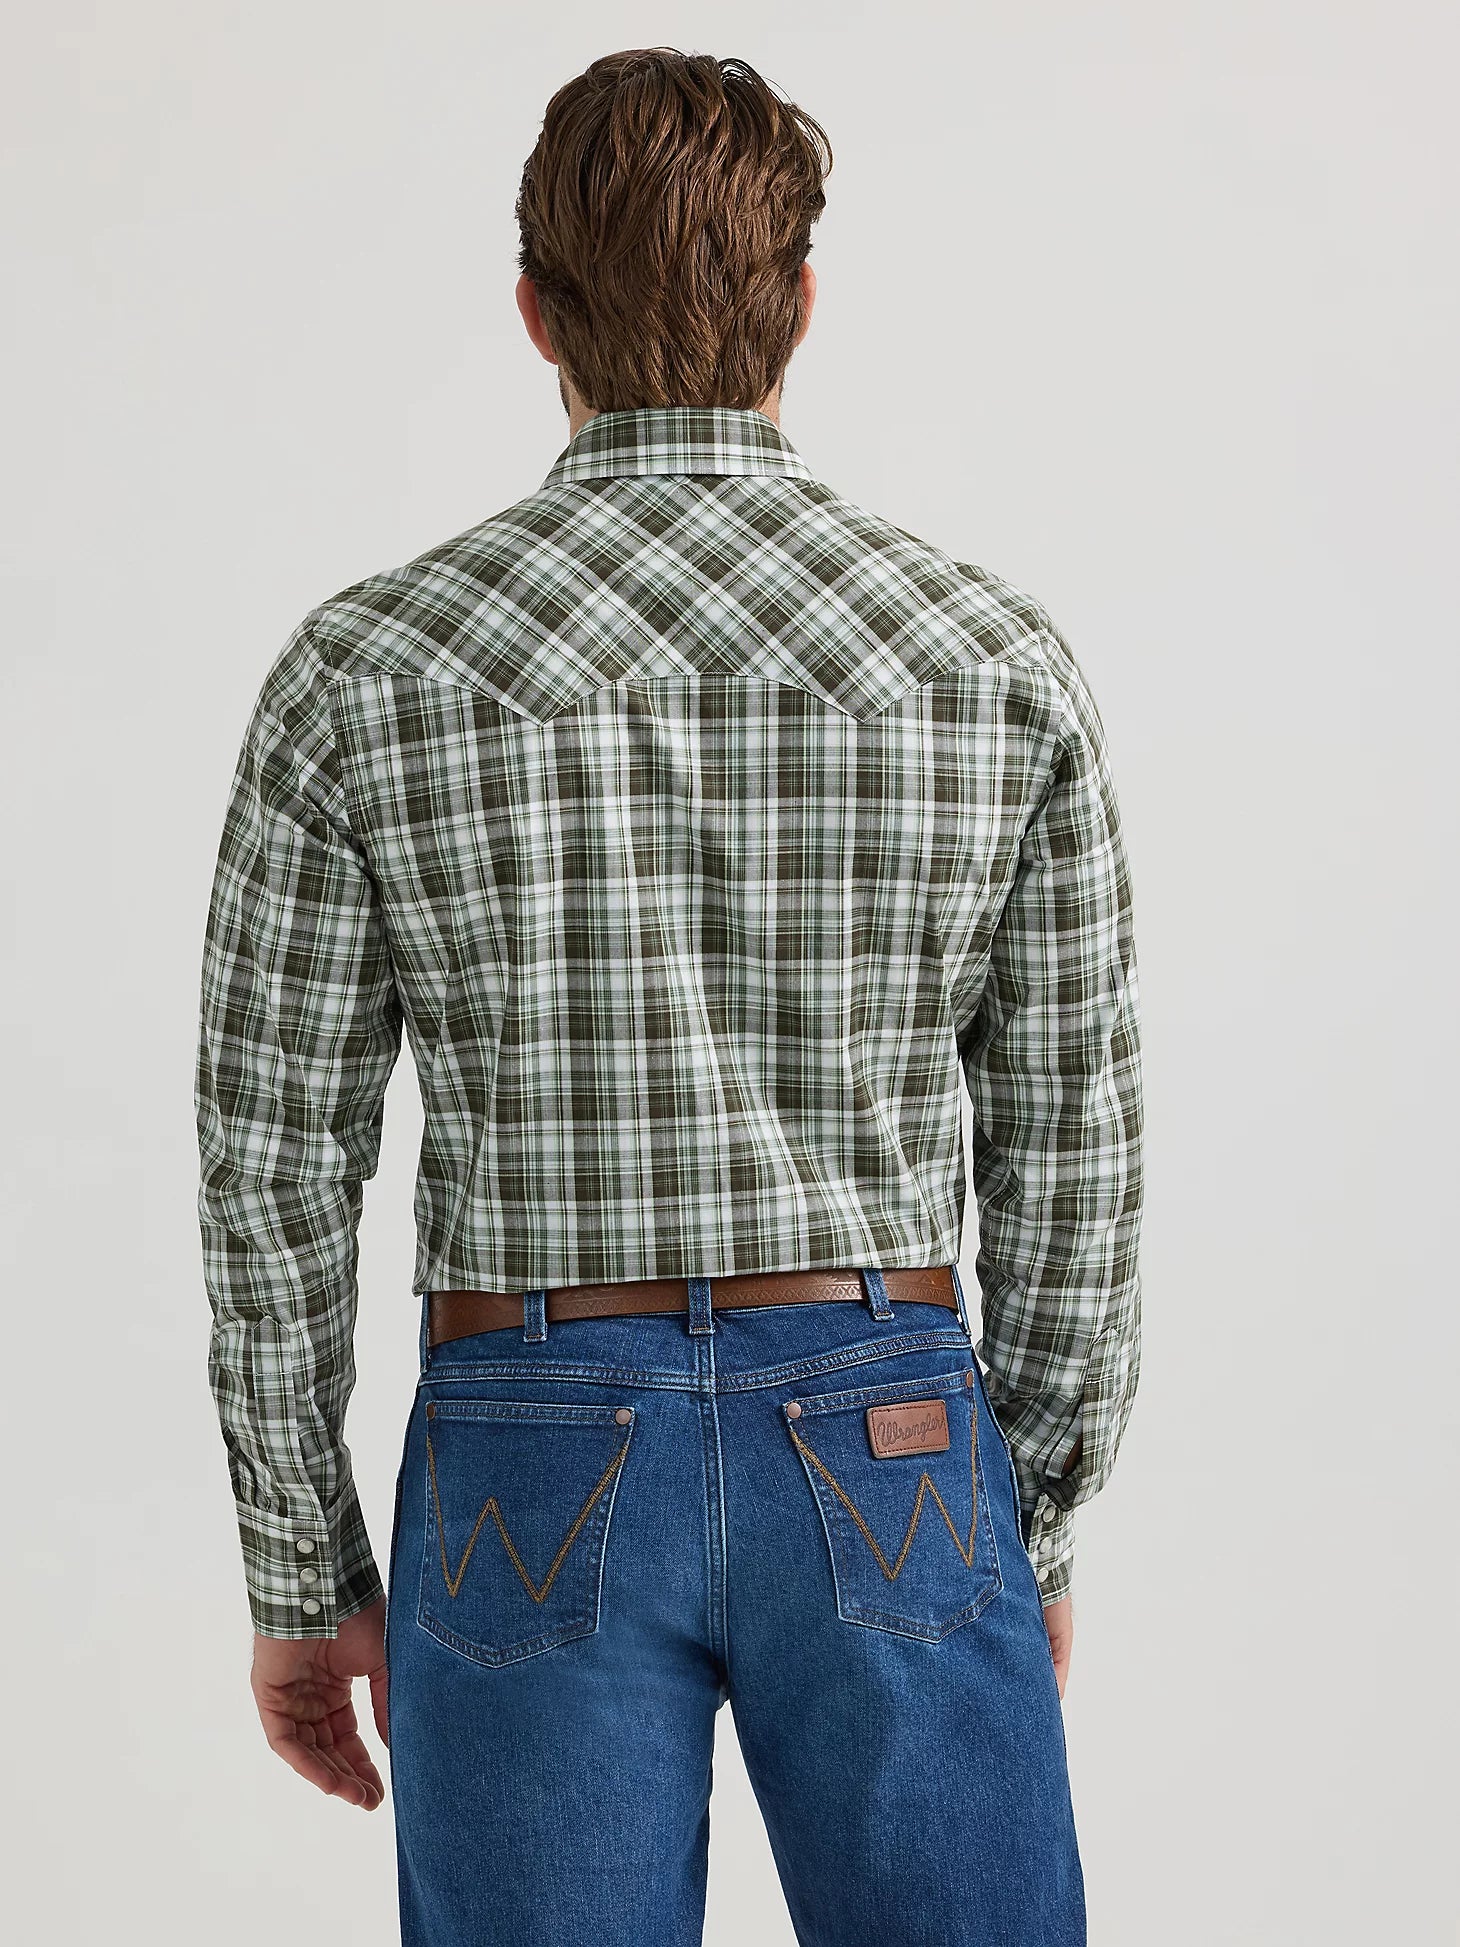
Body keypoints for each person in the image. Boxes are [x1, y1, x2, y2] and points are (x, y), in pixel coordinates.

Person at [196, 46, 1144, 1947]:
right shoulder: (992, 661)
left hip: (524, 1435)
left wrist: (303, 1568)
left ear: (534, 313)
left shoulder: (364, 672)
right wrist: (1021, 1514)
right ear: (803, 303)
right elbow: (1076, 1155)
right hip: (888, 1426)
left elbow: (272, 1165)